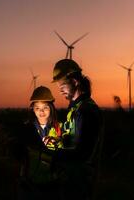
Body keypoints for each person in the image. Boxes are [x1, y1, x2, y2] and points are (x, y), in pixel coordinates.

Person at [51, 59, 104, 200]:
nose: (60, 90)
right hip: (71, 178)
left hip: (80, 182)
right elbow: (70, 138)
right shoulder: (76, 108)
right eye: (58, 86)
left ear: (75, 82)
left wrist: (53, 153)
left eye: (62, 85)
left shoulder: (86, 110)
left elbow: (82, 152)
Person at [17, 86, 62, 199]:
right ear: (32, 109)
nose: (41, 111)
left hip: (51, 183)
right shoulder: (27, 128)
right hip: (29, 182)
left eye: (45, 107)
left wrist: (58, 142)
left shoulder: (58, 128)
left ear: (51, 108)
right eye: (37, 108)